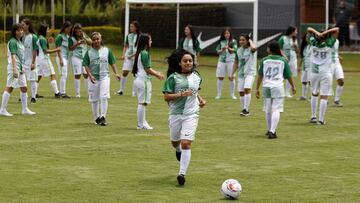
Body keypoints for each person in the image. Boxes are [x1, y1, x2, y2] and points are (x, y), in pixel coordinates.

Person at [163, 49, 206, 186]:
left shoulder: (197, 77)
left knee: (186, 143)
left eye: (190, 61)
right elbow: (166, 97)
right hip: (175, 114)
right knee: (175, 142)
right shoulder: (173, 78)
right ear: (180, 63)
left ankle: (182, 174)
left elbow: (194, 92)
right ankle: (177, 150)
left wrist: (200, 99)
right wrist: (181, 95)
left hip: (191, 115)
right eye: (185, 61)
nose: (188, 63)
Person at [255, 41, 296, 139]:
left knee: (268, 110)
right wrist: (293, 86)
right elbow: (289, 75)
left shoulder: (264, 60)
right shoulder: (283, 60)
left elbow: (260, 76)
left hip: (266, 87)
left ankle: (270, 129)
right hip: (278, 87)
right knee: (276, 109)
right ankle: (272, 131)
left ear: (269, 49)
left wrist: (257, 88)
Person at [83, 32, 121, 126]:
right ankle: (96, 118)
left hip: (105, 77)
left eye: (98, 39)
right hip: (94, 78)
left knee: (104, 96)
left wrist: (116, 73)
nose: (96, 41)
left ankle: (103, 117)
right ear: (92, 41)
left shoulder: (107, 51)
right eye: (94, 39)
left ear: (101, 39)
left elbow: (112, 62)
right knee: (94, 99)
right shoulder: (89, 52)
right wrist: (90, 75)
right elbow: (85, 64)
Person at [0, 23, 36, 116]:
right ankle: (2, 110)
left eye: (22, 30)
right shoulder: (12, 42)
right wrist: (15, 69)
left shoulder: (19, 42)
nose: (22, 32)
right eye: (20, 30)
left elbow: (21, 56)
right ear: (15, 32)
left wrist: (22, 68)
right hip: (14, 68)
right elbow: (13, 56)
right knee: (10, 87)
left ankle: (25, 109)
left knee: (24, 88)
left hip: (20, 69)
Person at [307, 27, 339, 125]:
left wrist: (317, 33)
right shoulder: (329, 43)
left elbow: (309, 29)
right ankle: (321, 120)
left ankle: (313, 116)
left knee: (314, 93)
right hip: (326, 72)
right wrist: (325, 32)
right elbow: (337, 29)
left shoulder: (313, 42)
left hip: (314, 72)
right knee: (324, 96)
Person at [132, 33, 164, 130]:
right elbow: (147, 69)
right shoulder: (144, 53)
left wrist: (156, 72)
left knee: (142, 102)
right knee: (143, 103)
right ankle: (141, 124)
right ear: (146, 41)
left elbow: (146, 68)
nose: (151, 42)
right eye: (150, 40)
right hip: (143, 81)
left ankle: (142, 122)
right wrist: (157, 74)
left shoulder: (140, 52)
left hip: (139, 79)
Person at [230, 34, 257, 116]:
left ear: (247, 41)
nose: (241, 41)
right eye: (240, 40)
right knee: (241, 92)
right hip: (241, 73)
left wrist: (250, 41)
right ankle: (245, 109)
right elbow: (236, 62)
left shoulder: (250, 49)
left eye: (243, 40)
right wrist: (232, 73)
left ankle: (246, 110)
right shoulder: (238, 50)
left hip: (250, 72)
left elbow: (254, 48)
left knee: (247, 88)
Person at [36, 23, 61, 98]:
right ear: (44, 30)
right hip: (45, 59)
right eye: (47, 29)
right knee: (52, 74)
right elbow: (45, 51)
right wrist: (57, 49)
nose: (48, 31)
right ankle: (57, 93)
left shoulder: (39, 37)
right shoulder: (43, 39)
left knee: (38, 76)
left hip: (39, 59)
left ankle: (35, 93)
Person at [117, 21, 141, 96]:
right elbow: (125, 46)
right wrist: (123, 54)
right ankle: (121, 90)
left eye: (132, 26)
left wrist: (133, 55)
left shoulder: (140, 36)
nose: (130, 28)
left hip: (136, 57)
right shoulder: (128, 36)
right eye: (130, 26)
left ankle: (134, 92)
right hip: (128, 56)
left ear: (136, 28)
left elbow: (139, 48)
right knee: (124, 72)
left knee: (135, 74)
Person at [69, 23, 92, 98]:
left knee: (86, 74)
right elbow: (70, 48)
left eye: (80, 30)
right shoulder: (71, 38)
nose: (79, 32)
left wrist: (84, 38)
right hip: (76, 58)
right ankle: (78, 93)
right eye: (77, 31)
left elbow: (91, 43)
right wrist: (77, 43)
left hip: (84, 58)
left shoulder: (84, 35)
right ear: (74, 31)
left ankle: (89, 93)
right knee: (78, 75)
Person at [215, 28, 238, 100]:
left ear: (230, 34)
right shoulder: (221, 41)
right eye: (225, 33)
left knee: (231, 77)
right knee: (220, 77)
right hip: (221, 61)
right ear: (223, 34)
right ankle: (219, 94)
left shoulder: (233, 41)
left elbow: (235, 50)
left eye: (228, 33)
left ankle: (232, 95)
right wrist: (222, 49)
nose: (227, 35)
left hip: (231, 61)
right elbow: (217, 51)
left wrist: (229, 49)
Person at [20, 19, 39, 103]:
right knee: (22, 79)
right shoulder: (22, 36)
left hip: (31, 60)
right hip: (23, 61)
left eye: (23, 24)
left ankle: (33, 97)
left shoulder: (33, 37)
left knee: (32, 79)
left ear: (28, 25)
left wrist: (33, 62)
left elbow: (35, 50)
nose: (22, 26)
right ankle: (23, 96)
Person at [278, 26, 299, 98]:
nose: (296, 32)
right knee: (281, 75)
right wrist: (284, 56)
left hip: (293, 59)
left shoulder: (294, 40)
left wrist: (296, 47)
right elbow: (279, 48)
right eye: (296, 31)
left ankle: (287, 92)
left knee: (290, 75)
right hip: (284, 59)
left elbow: (298, 51)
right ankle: (279, 90)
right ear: (292, 31)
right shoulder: (282, 38)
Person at [55, 21, 72, 98]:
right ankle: (62, 93)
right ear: (64, 28)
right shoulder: (60, 37)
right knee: (63, 74)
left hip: (66, 58)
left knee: (65, 75)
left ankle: (62, 92)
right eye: (68, 28)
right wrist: (61, 59)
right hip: (61, 57)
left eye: (70, 29)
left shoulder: (68, 37)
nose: (69, 30)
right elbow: (58, 49)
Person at [331, 32, 345, 107]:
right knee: (327, 82)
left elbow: (335, 52)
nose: (337, 34)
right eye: (335, 33)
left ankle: (336, 100)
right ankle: (323, 99)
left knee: (341, 81)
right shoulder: (325, 41)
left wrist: (338, 56)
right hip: (328, 63)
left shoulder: (337, 41)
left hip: (336, 63)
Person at [298, 33, 312, 101]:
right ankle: (303, 96)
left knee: (310, 81)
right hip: (304, 66)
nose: (307, 38)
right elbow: (302, 57)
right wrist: (299, 66)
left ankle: (312, 96)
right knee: (304, 81)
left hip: (311, 66)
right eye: (306, 37)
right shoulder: (304, 47)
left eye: (309, 37)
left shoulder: (313, 46)